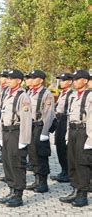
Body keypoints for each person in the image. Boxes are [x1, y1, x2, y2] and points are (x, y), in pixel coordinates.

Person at [0, 70, 32, 207]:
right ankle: (11, 190)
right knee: (7, 162)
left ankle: (18, 194)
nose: (8, 80)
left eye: (12, 79)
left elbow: (26, 120)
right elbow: (2, 117)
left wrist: (24, 140)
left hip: (16, 132)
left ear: (19, 81)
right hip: (6, 132)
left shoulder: (22, 96)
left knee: (17, 163)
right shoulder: (7, 94)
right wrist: (0, 135)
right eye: (8, 78)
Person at [59, 70, 91, 207]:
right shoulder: (72, 96)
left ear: (85, 80)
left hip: (84, 131)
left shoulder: (90, 96)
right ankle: (75, 190)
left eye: (78, 79)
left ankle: (82, 195)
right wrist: (67, 135)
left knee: (82, 163)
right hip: (72, 130)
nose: (75, 81)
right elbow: (69, 117)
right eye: (74, 79)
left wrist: (90, 140)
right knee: (72, 162)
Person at [25, 70, 55, 193]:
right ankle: (37, 180)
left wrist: (44, 132)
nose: (30, 80)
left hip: (40, 126)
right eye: (30, 78)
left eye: (33, 77)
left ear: (41, 80)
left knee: (41, 154)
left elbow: (48, 115)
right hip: (30, 126)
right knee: (33, 155)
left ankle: (43, 183)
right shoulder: (30, 92)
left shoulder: (46, 94)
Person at [51, 73, 73, 183]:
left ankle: (68, 173)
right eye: (60, 80)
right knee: (59, 146)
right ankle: (63, 171)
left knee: (65, 148)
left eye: (63, 80)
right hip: (59, 120)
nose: (61, 82)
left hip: (65, 120)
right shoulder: (62, 93)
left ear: (70, 82)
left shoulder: (71, 94)